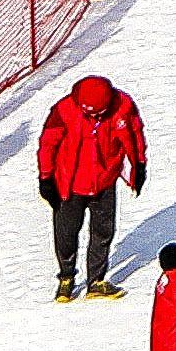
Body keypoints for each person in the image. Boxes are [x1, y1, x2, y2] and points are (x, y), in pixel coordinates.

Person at [37, 72, 150, 300]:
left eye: (100, 113)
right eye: (91, 113)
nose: (97, 117)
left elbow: (135, 134)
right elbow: (48, 143)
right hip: (69, 183)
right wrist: (46, 177)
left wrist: (139, 165)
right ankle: (66, 278)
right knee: (66, 233)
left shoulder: (124, 106)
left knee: (103, 232)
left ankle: (96, 281)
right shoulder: (63, 111)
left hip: (104, 180)